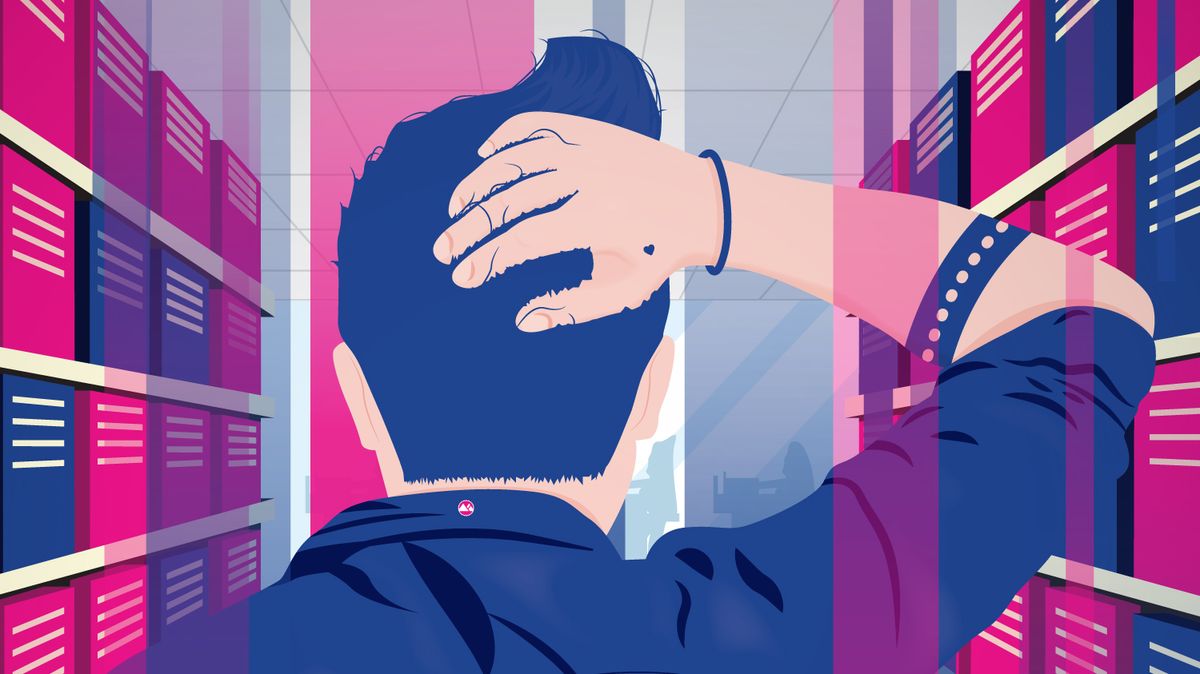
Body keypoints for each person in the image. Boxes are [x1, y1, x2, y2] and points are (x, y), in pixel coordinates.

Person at [248, 36, 1155, 673]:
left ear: (356, 395)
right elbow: (1086, 323)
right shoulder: (790, 629)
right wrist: (712, 207)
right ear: (656, 391)